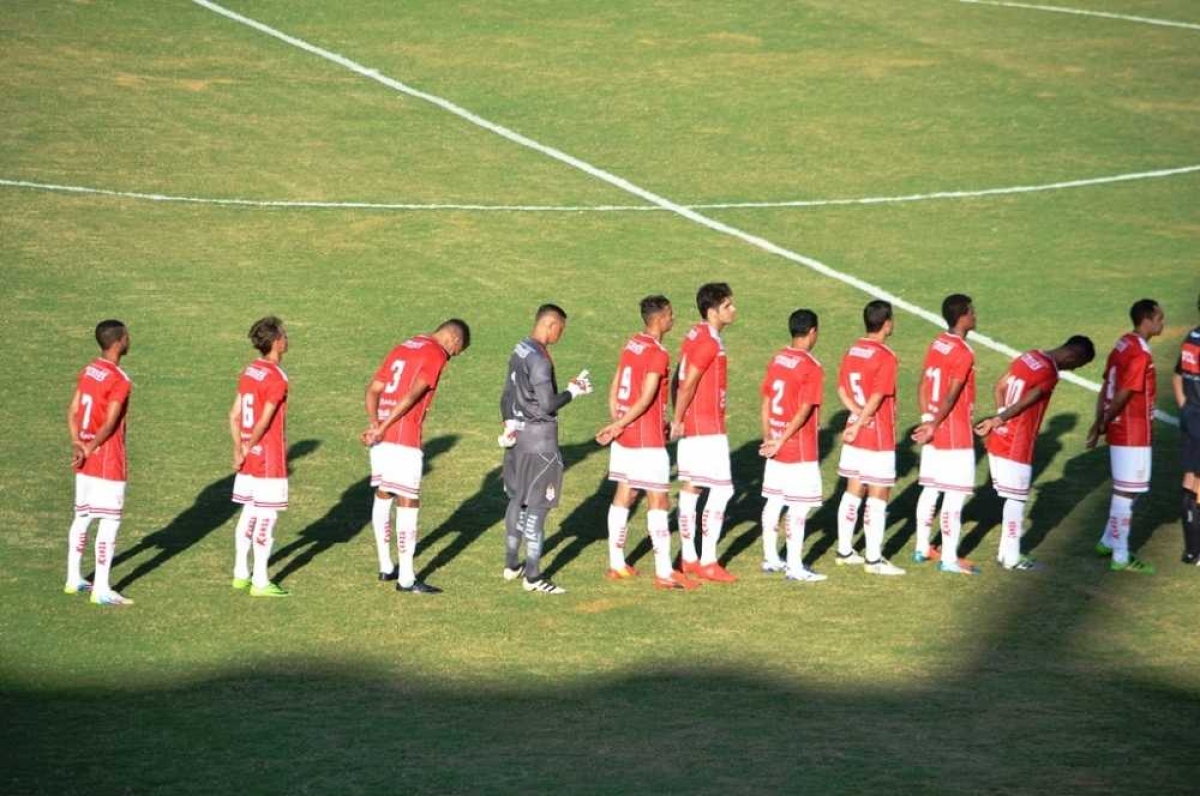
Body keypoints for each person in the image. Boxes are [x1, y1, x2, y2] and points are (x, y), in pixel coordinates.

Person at [595, 296, 697, 590]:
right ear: (660, 318)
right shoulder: (658, 353)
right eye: (671, 314)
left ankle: (616, 563)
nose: (673, 319)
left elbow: (616, 383)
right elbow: (647, 396)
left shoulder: (632, 343)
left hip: (626, 436)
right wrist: (620, 424)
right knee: (659, 500)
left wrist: (616, 419)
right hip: (646, 440)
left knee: (623, 494)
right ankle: (664, 572)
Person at [362, 320, 470, 594]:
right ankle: (407, 578)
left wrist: (375, 425)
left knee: (384, 492)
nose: (452, 357)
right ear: (454, 341)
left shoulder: (403, 346)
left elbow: (374, 388)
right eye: (456, 352)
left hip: (383, 437)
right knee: (409, 501)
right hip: (403, 437)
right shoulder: (435, 353)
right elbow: (413, 394)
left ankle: (386, 566)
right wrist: (385, 428)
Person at [975, 336, 1096, 570]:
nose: (1073, 369)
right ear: (1074, 356)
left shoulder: (1029, 355)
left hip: (1000, 436)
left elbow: (1000, 385)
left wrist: (999, 417)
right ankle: (1010, 557)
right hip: (1017, 441)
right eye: (1077, 365)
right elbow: (1030, 399)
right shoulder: (1050, 372)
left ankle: (1005, 552)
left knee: (1012, 496)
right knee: (1017, 498)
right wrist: (1000, 419)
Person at [499, 304, 592, 595]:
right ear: (550, 325)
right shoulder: (539, 360)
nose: (561, 335)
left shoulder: (520, 349)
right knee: (537, 508)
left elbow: (506, 395)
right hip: (541, 445)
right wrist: (574, 391)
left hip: (517, 441)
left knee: (517, 500)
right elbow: (549, 404)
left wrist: (509, 423)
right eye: (560, 330)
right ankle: (533, 576)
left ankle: (511, 565)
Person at [1087, 299, 1164, 573]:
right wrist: (1103, 422)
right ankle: (1120, 556)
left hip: (1122, 428)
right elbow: (1123, 392)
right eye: (1159, 318)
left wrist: (1100, 422)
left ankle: (1109, 540)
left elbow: (1107, 383)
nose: (1162, 323)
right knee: (1127, 492)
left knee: (1129, 490)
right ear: (1147, 319)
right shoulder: (1140, 355)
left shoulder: (1123, 343)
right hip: (1133, 431)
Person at [671, 282, 738, 582]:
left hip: (695, 426)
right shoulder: (710, 341)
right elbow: (689, 381)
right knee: (723, 490)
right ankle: (708, 560)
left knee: (692, 487)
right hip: (707, 427)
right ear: (712, 311)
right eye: (727, 306)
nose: (733, 310)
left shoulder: (694, 333)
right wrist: (677, 418)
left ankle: (688, 557)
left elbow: (679, 374)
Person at [65, 320, 134, 606]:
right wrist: (92, 448)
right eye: (127, 336)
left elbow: (72, 410)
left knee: (82, 516)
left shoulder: (88, 370)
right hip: (106, 459)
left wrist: (78, 444)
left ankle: (73, 578)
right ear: (118, 342)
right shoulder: (120, 379)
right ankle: (102, 588)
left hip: (84, 456)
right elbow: (110, 422)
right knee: (109, 521)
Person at [834, 300, 904, 576]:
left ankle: (844, 550)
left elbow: (841, 388)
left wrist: (854, 417)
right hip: (877, 434)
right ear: (886, 323)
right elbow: (877, 395)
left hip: (856, 427)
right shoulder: (885, 356)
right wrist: (864, 419)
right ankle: (874, 560)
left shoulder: (853, 349)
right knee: (878, 493)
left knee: (853, 489)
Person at [911, 294, 979, 575]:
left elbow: (924, 382)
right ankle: (949, 558)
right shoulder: (963, 352)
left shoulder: (937, 342)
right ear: (962, 316)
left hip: (933, 428)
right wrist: (937, 422)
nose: (975, 316)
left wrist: (927, 420)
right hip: (954, 431)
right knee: (955, 495)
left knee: (930, 488)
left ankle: (922, 546)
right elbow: (952, 394)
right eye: (972, 312)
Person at [758, 309, 827, 583]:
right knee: (799, 507)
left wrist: (769, 439)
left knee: (774, 500)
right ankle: (795, 566)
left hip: (774, 441)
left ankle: (771, 558)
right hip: (798, 447)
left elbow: (765, 401)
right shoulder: (812, 367)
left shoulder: (778, 359)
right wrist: (784, 440)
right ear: (812, 332)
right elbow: (804, 409)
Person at [228, 316, 292, 597]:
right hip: (268, 457)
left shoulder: (249, 370)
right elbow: (264, 421)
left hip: (248, 455)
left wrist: (239, 447)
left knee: (249, 512)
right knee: (267, 517)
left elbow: (234, 414)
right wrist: (252, 443)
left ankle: (241, 573)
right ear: (276, 342)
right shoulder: (277, 377)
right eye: (285, 335)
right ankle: (261, 581)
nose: (287, 339)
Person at [1174, 292, 1200, 564]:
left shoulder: (1191, 338)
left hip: (1192, 414)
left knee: (1191, 478)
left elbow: (1177, 375)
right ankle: (1195, 551)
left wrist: (1184, 407)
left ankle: (1191, 550)